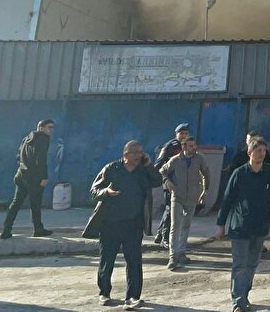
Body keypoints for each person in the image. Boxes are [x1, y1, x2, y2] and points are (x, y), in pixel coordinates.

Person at [84, 140, 162, 310]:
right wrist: (106, 192)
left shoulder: (143, 171)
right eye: (135, 152)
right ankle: (104, 293)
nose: (139, 155)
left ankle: (133, 297)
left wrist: (149, 165)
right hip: (110, 224)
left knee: (134, 260)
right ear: (126, 155)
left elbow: (158, 181)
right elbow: (93, 190)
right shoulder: (112, 169)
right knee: (107, 259)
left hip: (134, 224)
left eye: (141, 152)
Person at [216, 137, 270, 312]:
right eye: (258, 151)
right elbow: (227, 200)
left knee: (252, 264)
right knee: (240, 265)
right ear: (250, 153)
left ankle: (244, 295)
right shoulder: (239, 174)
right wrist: (221, 224)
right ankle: (238, 302)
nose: (261, 154)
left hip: (260, 227)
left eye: (264, 151)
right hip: (239, 227)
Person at [159, 137, 210, 270]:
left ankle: (182, 252)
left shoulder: (199, 159)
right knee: (175, 226)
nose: (194, 148)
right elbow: (163, 171)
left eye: (194, 145)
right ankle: (173, 256)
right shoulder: (175, 160)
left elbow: (206, 173)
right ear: (184, 147)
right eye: (190, 146)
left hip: (193, 197)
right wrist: (167, 181)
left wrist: (205, 190)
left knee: (186, 225)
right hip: (177, 196)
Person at [0, 119, 54, 239]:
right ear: (41, 127)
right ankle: (38, 229)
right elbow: (41, 160)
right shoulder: (43, 139)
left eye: (52, 128)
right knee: (35, 204)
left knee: (16, 203)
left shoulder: (27, 138)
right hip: (34, 178)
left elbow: (18, 156)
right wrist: (44, 177)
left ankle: (6, 230)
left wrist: (23, 168)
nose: (51, 130)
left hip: (21, 175)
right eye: (49, 127)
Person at [153, 123, 191, 247]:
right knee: (170, 209)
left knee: (172, 209)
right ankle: (165, 238)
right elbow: (159, 164)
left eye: (186, 133)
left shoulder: (188, 146)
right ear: (176, 134)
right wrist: (164, 179)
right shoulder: (171, 145)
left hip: (182, 182)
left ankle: (159, 234)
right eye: (182, 133)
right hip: (170, 182)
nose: (184, 136)